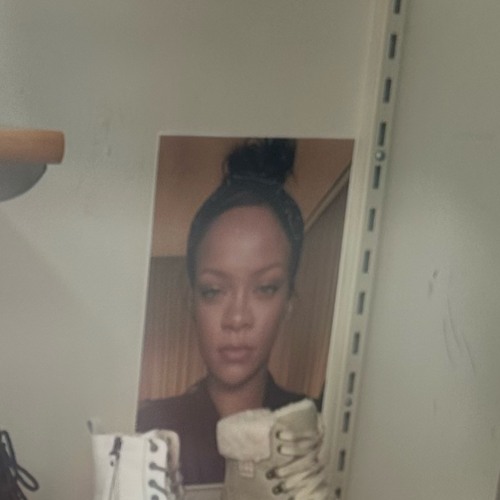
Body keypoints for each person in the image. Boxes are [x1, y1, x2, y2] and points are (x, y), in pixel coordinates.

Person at [136, 139, 308, 485]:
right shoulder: (149, 428)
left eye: (265, 288)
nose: (237, 319)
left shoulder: (314, 431)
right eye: (214, 291)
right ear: (191, 301)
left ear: (289, 300)